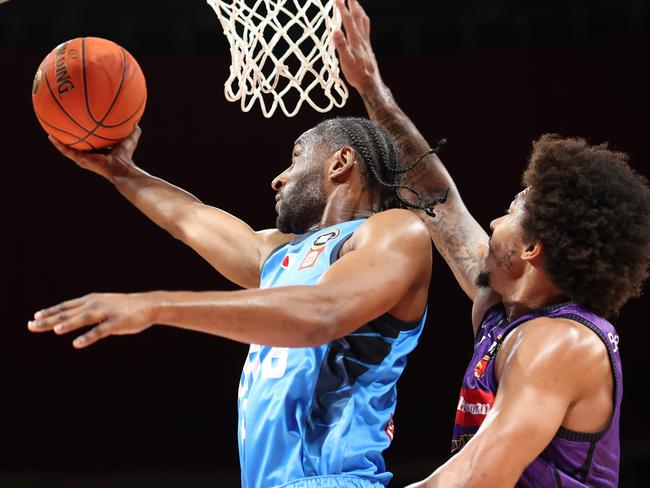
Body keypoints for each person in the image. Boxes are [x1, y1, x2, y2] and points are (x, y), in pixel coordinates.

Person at [333, 0, 650, 486]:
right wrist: (373, 89)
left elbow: (483, 475)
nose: (495, 218)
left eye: (511, 211)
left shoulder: (562, 342)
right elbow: (434, 196)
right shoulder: (504, 310)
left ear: (531, 249)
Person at [28, 117, 436, 487]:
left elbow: (321, 314)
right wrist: (120, 171)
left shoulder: (395, 231)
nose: (278, 179)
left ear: (341, 161)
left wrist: (155, 306)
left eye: (295, 159)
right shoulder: (277, 254)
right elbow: (188, 217)